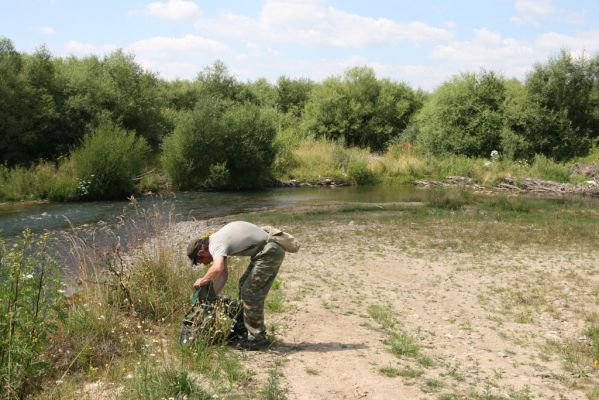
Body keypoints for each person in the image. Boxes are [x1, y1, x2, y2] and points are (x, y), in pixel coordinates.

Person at [186, 221, 286, 349]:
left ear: (201, 253)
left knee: (250, 292)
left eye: (201, 262)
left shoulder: (215, 245)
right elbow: (223, 274)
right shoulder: (217, 241)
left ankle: (258, 338)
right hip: (265, 252)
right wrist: (210, 298)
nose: (205, 264)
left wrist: (203, 280)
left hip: (269, 251)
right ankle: (244, 330)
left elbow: (218, 268)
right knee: (243, 284)